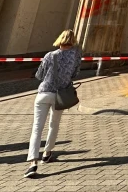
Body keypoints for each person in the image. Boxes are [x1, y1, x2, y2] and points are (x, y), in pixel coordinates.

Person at [24, 29, 82, 179]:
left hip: (43, 93)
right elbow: (75, 74)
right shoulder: (76, 56)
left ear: (59, 39)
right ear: (73, 40)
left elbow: (39, 75)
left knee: (37, 128)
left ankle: (32, 163)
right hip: (60, 95)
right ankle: (47, 152)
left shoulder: (50, 55)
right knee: (54, 124)